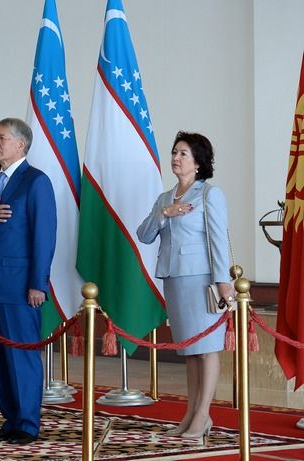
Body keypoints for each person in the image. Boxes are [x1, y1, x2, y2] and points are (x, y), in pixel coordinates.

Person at [137, 131, 233, 440]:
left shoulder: (209, 194)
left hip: (201, 280)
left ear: (198, 162)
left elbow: (218, 240)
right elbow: (144, 235)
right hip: (174, 279)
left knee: (206, 349)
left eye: (183, 154)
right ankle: (191, 414)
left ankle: (203, 415)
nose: (176, 158)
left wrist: (223, 281)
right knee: (190, 351)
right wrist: (164, 214)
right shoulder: (165, 198)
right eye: (174, 152)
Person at [0, 118, 56, 445]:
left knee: (21, 356)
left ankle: (27, 424)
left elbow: (44, 236)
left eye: (2, 138)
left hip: (20, 286)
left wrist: (38, 283)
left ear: (21, 144)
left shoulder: (36, 181)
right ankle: (10, 419)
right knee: (0, 357)